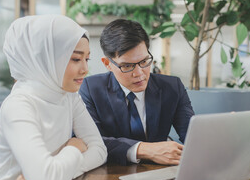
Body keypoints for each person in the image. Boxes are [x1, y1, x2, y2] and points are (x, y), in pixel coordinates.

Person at [0, 15, 107, 180]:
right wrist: (73, 147)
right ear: (47, 59)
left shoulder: (68, 96)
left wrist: (47, 174)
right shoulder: (19, 105)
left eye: (87, 59)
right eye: (76, 59)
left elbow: (100, 150)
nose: (85, 69)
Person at [79, 19, 194, 166]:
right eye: (127, 66)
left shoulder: (172, 87)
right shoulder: (91, 89)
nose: (139, 73)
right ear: (107, 63)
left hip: (160, 172)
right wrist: (145, 150)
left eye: (144, 61)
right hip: (113, 174)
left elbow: (192, 135)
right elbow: (90, 141)